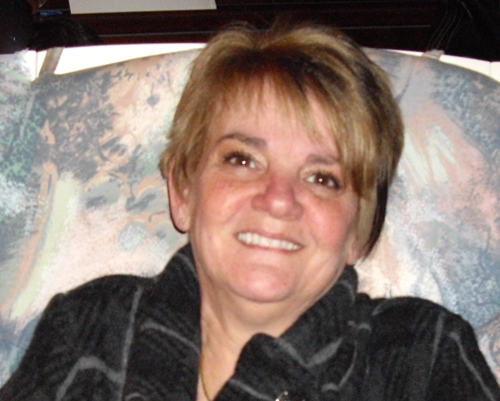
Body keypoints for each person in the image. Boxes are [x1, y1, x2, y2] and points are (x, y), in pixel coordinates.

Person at [1, 23, 499, 401]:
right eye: (242, 160)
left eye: (322, 178)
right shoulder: (87, 331)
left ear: (358, 230)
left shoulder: (421, 357)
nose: (279, 199)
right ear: (183, 191)